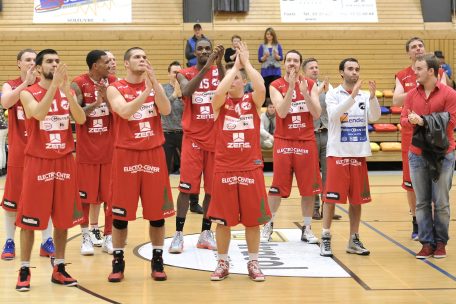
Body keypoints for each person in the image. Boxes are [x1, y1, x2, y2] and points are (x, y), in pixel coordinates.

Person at [16, 49, 86, 291]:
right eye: (49, 61)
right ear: (37, 68)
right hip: (39, 161)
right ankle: (24, 268)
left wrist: (67, 94)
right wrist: (55, 88)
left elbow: (81, 120)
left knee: (63, 218)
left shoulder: (66, 92)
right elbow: (38, 113)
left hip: (65, 160)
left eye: (57, 61)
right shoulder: (27, 93)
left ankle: (59, 267)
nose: (54, 64)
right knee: (29, 219)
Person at [106, 47, 175, 282]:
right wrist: (146, 93)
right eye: (137, 57)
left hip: (153, 153)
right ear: (126, 63)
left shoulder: (153, 87)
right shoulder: (115, 87)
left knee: (157, 214)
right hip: (126, 154)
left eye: (145, 57)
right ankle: (118, 261)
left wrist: (154, 84)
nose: (142, 60)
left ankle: (157, 259)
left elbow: (165, 110)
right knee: (120, 215)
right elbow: (124, 111)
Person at [208, 42, 271, 281]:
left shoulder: (252, 102)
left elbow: (261, 87)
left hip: (250, 167)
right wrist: (234, 67)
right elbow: (216, 93)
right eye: (229, 78)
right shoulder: (220, 104)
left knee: (252, 220)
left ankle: (253, 263)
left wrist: (246, 64)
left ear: (243, 82)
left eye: (236, 78)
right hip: (224, 169)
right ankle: (222, 263)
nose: (231, 80)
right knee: (223, 222)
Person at [320, 57, 381, 257]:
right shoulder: (332, 94)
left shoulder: (364, 95)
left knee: (357, 200)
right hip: (337, 153)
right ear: (342, 73)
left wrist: (372, 98)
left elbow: (374, 118)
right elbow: (334, 115)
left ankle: (353, 239)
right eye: (350, 69)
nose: (354, 72)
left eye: (357, 69)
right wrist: (353, 96)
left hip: (358, 153)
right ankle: (326, 236)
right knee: (331, 198)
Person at [168, 39, 225, 254]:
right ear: (194, 52)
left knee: (211, 190)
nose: (204, 51)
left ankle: (205, 233)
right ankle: (178, 235)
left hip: (215, 140)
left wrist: (218, 63)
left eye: (207, 49)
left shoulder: (217, 69)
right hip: (193, 139)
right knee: (186, 189)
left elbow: (225, 83)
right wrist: (208, 64)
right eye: (200, 49)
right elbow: (188, 91)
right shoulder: (184, 72)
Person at [261, 50, 322, 244]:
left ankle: (307, 228)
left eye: (296, 61)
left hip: (306, 141)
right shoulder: (275, 85)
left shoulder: (310, 84)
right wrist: (291, 87)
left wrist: (304, 92)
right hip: (284, 141)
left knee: (309, 189)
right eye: (289, 60)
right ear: (284, 64)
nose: (292, 63)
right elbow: (282, 111)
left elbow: (317, 113)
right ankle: (268, 225)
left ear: (300, 64)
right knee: (277, 187)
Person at [1, 49, 55, 261]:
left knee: (45, 198)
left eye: (35, 60)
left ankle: (46, 240)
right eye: (28, 60)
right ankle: (9, 241)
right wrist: (26, 84)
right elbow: (5, 102)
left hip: (43, 152)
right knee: (12, 201)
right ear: (19, 64)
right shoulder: (12, 85)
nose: (32, 63)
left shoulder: (45, 86)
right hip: (18, 153)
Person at [401, 54, 456, 259]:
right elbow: (404, 120)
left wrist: (423, 121)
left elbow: (451, 122)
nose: (414, 72)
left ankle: (440, 243)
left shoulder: (449, 94)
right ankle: (426, 243)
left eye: (419, 68)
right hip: (417, 154)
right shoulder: (411, 95)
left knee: (441, 201)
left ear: (431, 71)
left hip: (443, 154)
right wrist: (412, 120)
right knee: (422, 202)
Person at [393, 37, 447, 241]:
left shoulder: (438, 72)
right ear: (408, 53)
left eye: (420, 46)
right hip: (411, 135)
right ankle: (416, 220)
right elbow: (396, 99)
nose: (418, 49)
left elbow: (443, 94)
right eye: (414, 47)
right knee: (411, 182)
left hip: (433, 133)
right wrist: (418, 89)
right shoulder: (403, 75)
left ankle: (433, 223)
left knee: (435, 179)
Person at [71, 50, 117, 256]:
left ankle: (109, 236)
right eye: (105, 62)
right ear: (94, 65)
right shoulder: (78, 83)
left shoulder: (114, 82)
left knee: (111, 196)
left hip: (110, 149)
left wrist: (107, 97)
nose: (110, 64)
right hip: (87, 150)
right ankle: (86, 236)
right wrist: (96, 103)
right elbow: (76, 114)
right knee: (85, 198)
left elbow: (121, 111)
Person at [302, 58, 342, 221]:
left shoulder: (328, 87)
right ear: (304, 71)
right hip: (309, 134)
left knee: (328, 173)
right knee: (312, 174)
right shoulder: (301, 87)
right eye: (311, 68)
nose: (315, 70)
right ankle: (315, 209)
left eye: (317, 67)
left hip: (326, 133)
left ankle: (328, 208)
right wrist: (318, 90)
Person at [162, 61, 185, 175]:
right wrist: (174, 95)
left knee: (188, 168)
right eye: (174, 72)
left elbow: (190, 111)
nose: (176, 75)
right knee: (165, 168)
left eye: (179, 72)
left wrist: (181, 97)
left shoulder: (187, 89)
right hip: (166, 133)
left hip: (184, 134)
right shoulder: (162, 88)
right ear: (169, 74)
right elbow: (162, 109)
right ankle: (163, 192)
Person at [258, 27, 283, 105]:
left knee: (276, 87)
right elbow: (260, 59)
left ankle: (277, 103)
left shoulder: (278, 45)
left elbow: (281, 58)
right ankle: (266, 105)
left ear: (273, 35)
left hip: (276, 71)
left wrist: (276, 55)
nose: (269, 36)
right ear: (265, 35)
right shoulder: (262, 46)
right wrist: (265, 56)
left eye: (270, 34)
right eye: (267, 34)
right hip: (265, 71)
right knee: (266, 88)